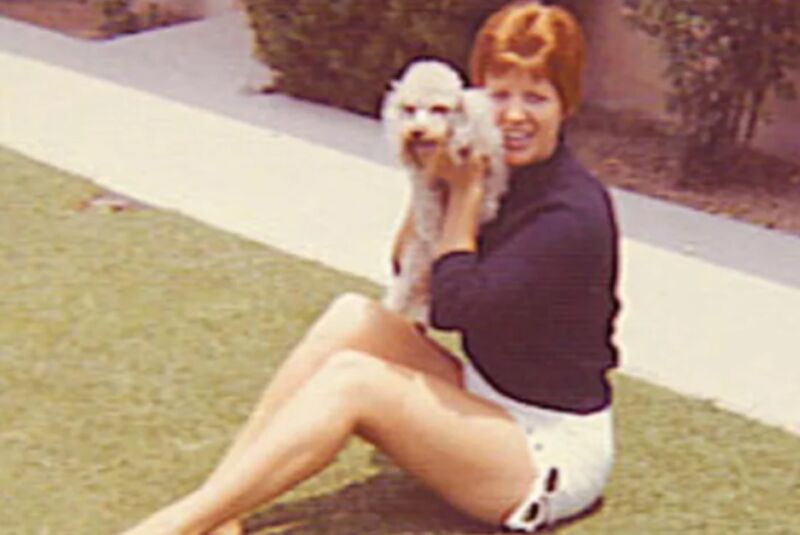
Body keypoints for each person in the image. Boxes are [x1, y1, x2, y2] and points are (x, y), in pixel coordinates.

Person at [120, 2, 620, 534]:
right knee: (351, 318)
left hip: (545, 452)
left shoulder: (571, 213)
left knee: (354, 381)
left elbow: (453, 308)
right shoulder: (489, 162)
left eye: (536, 98)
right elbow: (407, 259)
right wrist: (431, 179)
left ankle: (173, 527)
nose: (515, 115)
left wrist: (466, 195)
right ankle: (226, 505)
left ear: (566, 105)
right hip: (486, 393)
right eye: (500, 95)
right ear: (474, 99)